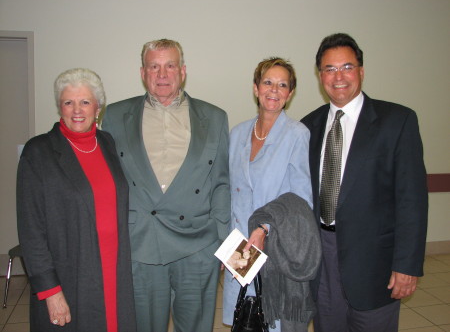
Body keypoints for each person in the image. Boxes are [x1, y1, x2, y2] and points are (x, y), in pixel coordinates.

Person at [301, 33, 428, 332]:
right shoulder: (308, 127)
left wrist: (407, 265)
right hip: (323, 260)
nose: (339, 76)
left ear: (361, 70)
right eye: (330, 69)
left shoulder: (397, 121)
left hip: (375, 264)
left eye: (347, 66)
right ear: (320, 76)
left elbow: (412, 200)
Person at [101, 39, 230, 332]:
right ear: (143, 72)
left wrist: (221, 242)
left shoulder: (214, 117)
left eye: (170, 65)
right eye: (154, 66)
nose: (162, 74)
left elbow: (221, 182)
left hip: (198, 244)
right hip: (141, 242)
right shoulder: (115, 116)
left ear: (182, 71)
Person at [17, 68, 136, 332]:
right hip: (70, 276)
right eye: (68, 102)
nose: (77, 110)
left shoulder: (107, 143)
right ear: (60, 107)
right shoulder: (38, 152)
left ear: (98, 107)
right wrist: (50, 291)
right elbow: (31, 230)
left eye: (85, 102)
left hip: (114, 273)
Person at [223, 57, 320, 332]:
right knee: (246, 319)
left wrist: (265, 227)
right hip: (241, 249)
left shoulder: (297, 134)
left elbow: (301, 198)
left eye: (282, 85)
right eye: (268, 82)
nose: (274, 90)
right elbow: (231, 195)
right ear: (256, 88)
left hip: (275, 244)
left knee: (273, 321)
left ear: (290, 93)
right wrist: (227, 246)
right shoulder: (238, 133)